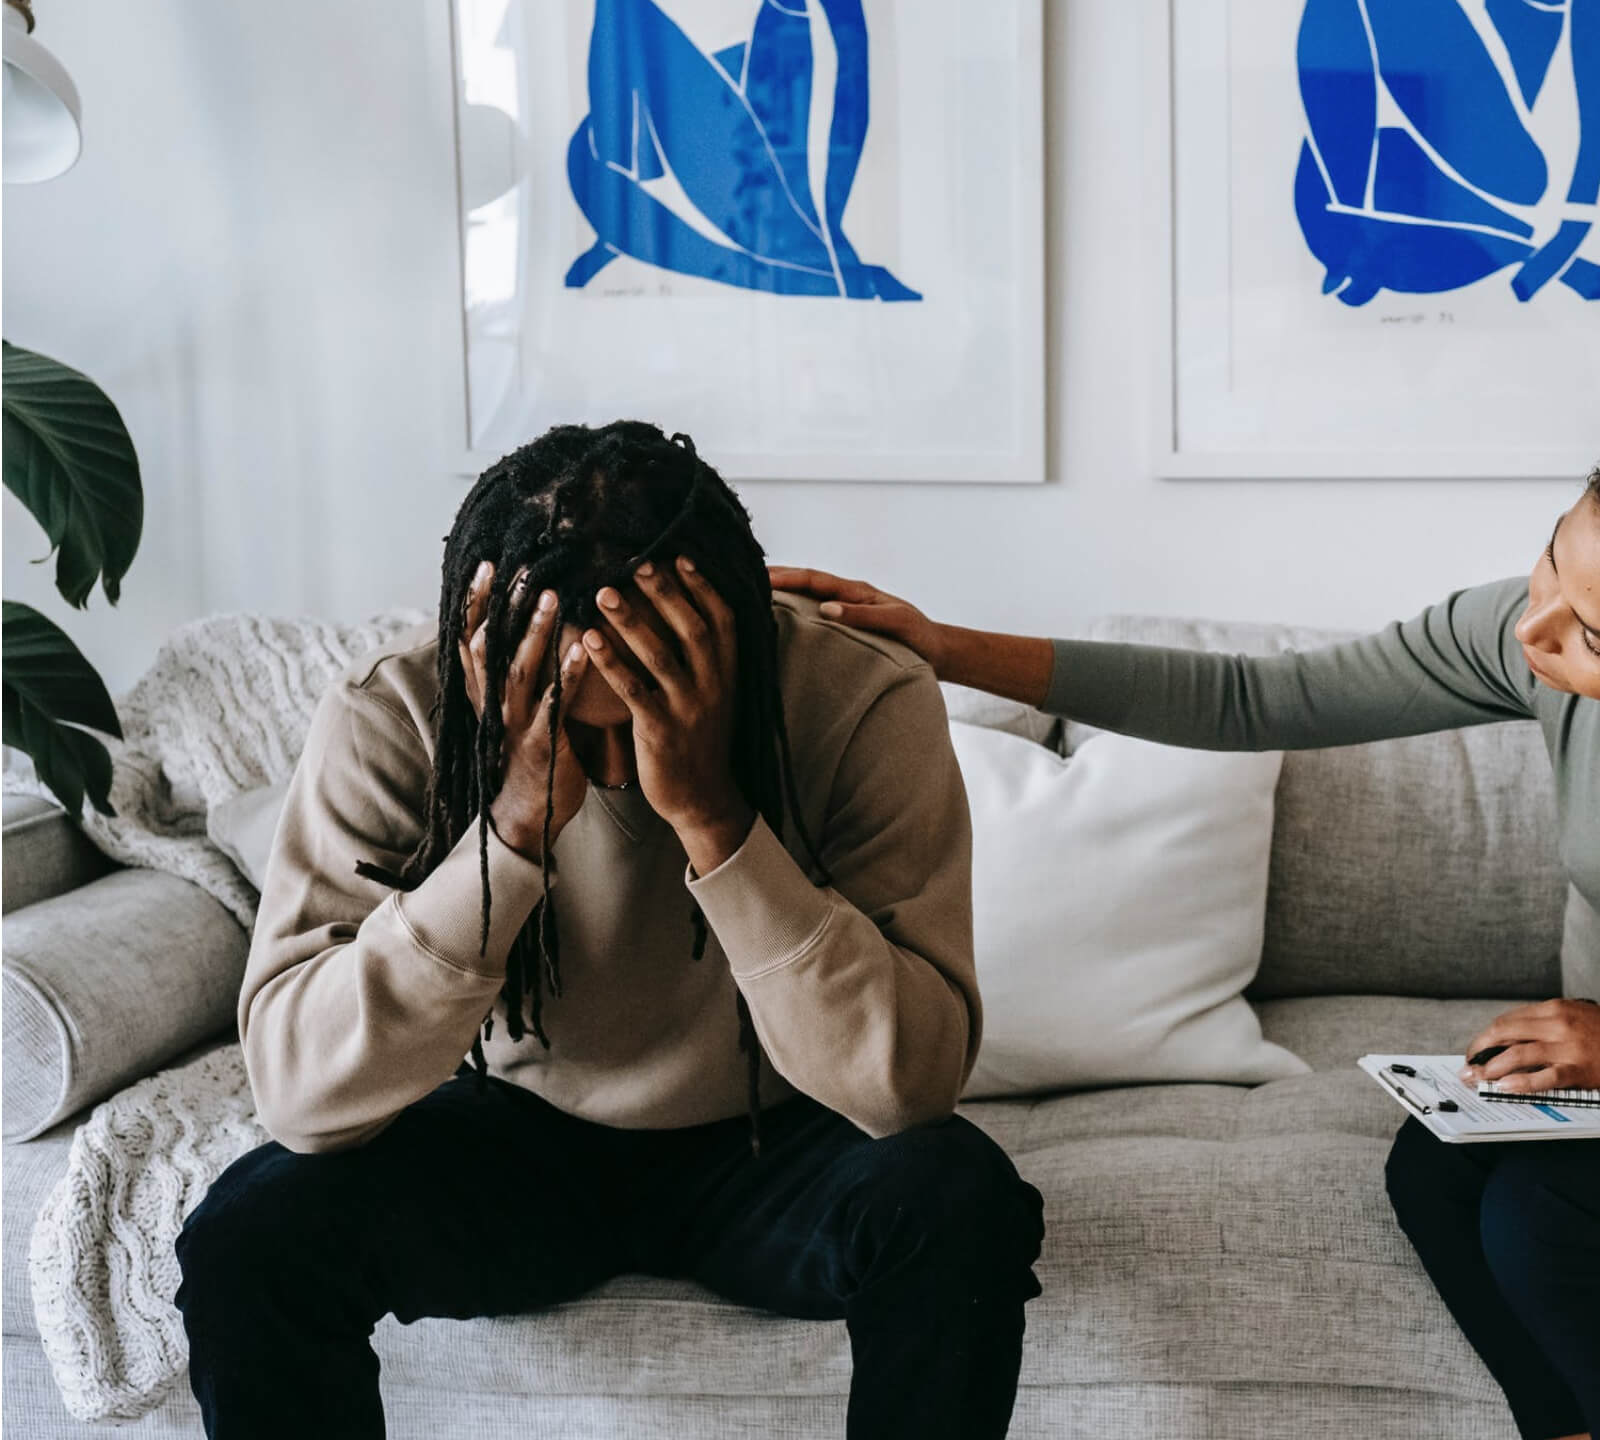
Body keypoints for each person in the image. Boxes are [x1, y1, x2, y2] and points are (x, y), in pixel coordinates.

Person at [769, 415, 1600, 1440]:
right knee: (1438, 1165)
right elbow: (1258, 700)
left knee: (1550, 1218)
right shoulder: (1541, 635)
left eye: (1590, 638)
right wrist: (943, 647)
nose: (1534, 632)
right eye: (1551, 562)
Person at [176, 421, 1042, 1440]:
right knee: (247, 1235)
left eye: (649, 709)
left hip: (782, 1128)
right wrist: (510, 829)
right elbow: (299, 1095)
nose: (621, 772)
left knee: (958, 1199)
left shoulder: (860, 694)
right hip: (516, 1129)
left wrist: (716, 818)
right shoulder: (394, 711)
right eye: (580, 727)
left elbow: (912, 1086)